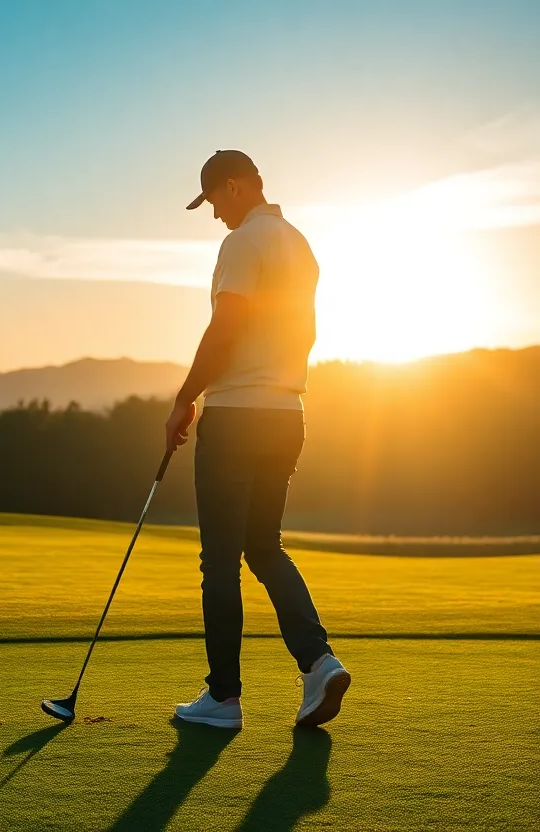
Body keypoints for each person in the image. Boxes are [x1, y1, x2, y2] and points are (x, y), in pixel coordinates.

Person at [165, 150, 350, 730]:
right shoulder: (298, 243)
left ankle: (222, 699)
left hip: (237, 416)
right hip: (286, 414)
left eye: (215, 200)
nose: (216, 214)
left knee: (219, 560)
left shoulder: (243, 242)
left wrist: (185, 396)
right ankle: (319, 663)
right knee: (264, 547)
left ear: (236, 186)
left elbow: (227, 325)